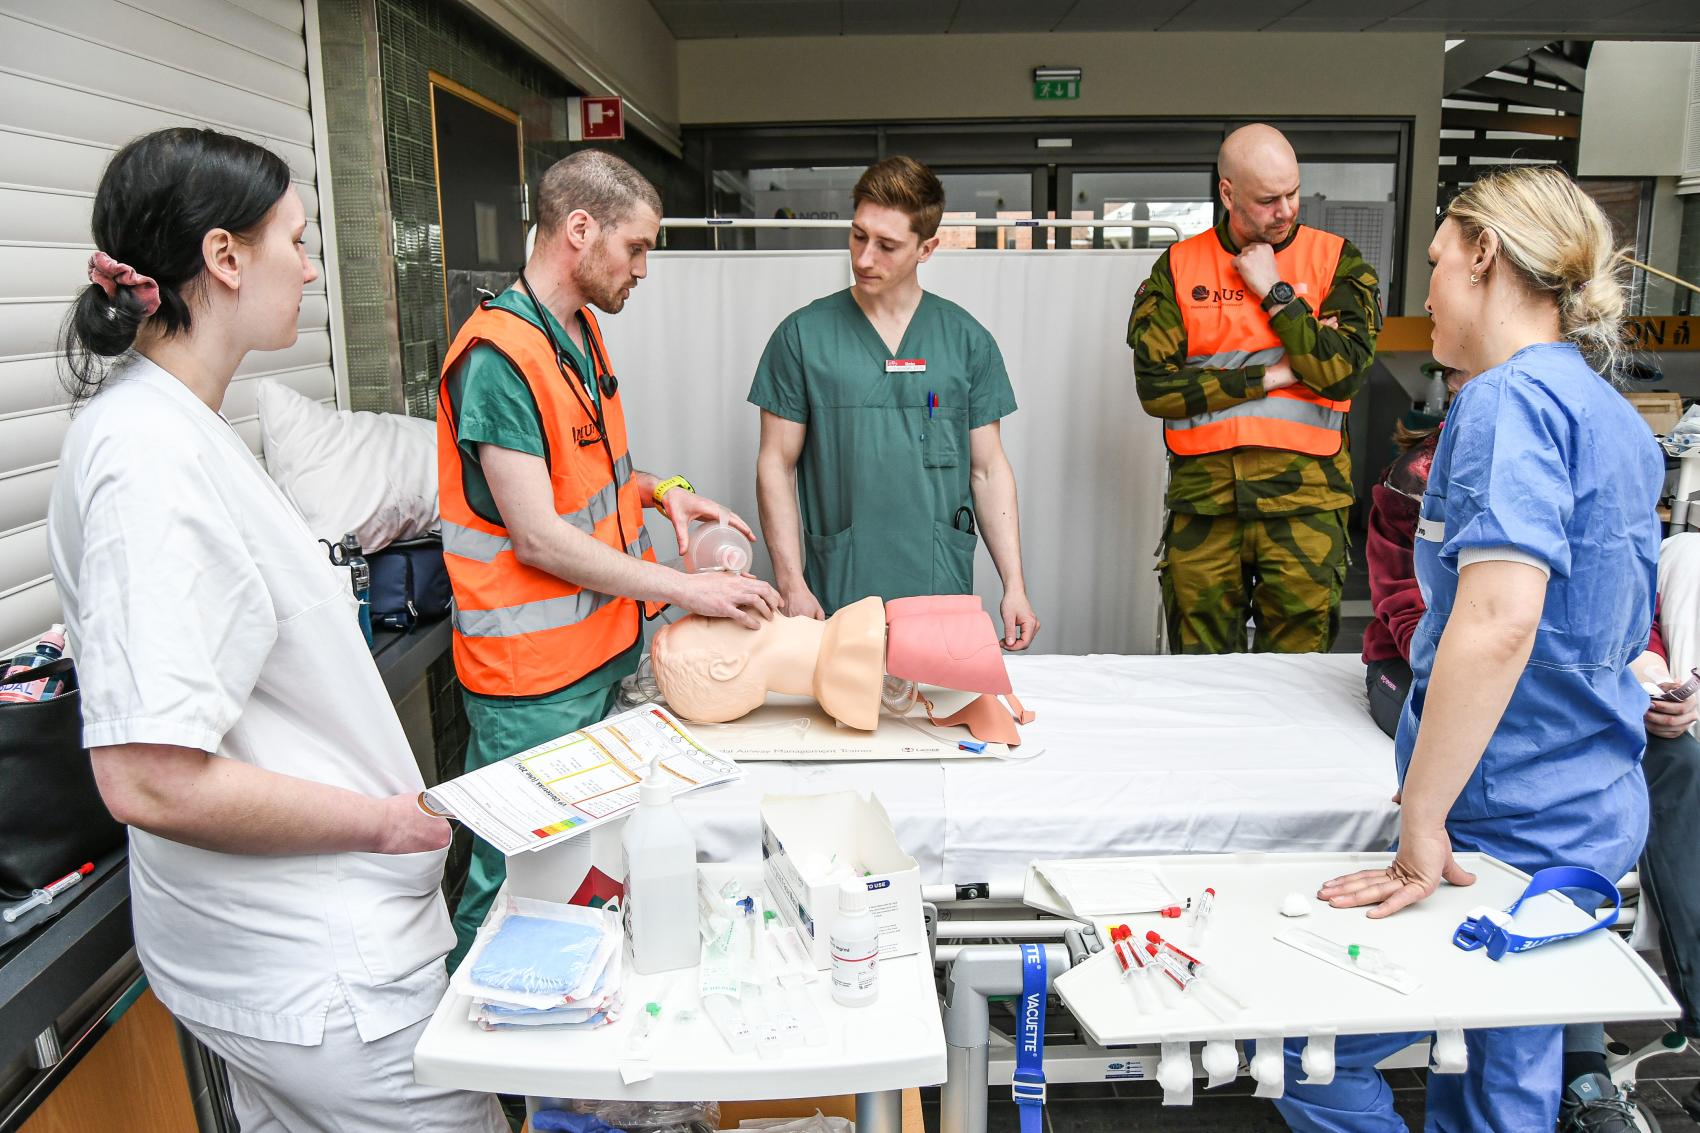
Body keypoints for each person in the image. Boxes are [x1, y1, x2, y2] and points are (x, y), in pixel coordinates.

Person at [47, 128, 503, 1132]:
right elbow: (149, 775)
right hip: (314, 966)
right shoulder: (148, 460)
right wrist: (384, 821)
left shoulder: (183, 428)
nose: (306, 265)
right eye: (293, 240)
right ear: (222, 257)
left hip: (299, 954)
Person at [1271, 166, 1663, 1132]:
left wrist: (1423, 827)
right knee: (1499, 1080)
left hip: (1509, 824)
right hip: (1589, 803)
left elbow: (1497, 622)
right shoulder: (1612, 415)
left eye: (1439, 263)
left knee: (1310, 1057)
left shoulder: (1503, 403)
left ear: (1485, 256)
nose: (1428, 295)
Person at [437, 150, 780, 965]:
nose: (644, 268)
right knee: (510, 885)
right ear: (579, 230)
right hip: (532, 685)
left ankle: (558, 1034)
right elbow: (540, 535)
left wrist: (666, 493)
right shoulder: (496, 360)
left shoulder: (577, 334)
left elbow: (586, 478)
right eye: (637, 247)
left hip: (595, 659)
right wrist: (689, 589)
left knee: (586, 874)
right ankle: (469, 1082)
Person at [750, 156, 1040, 649]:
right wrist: (791, 582)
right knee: (843, 718)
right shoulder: (802, 337)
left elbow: (988, 471)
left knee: (934, 716)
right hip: (837, 586)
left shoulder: (966, 341)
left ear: (927, 248)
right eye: (859, 236)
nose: (864, 258)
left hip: (937, 583)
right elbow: (776, 465)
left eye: (887, 246)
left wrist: (1015, 585)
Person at [1129, 123, 1381, 654]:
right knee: (1201, 676)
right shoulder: (1178, 268)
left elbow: (1344, 372)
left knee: (1296, 680)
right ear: (1227, 192)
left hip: (1306, 506)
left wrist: (1276, 292)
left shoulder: (1336, 260)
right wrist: (1276, 375)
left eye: (1293, 192)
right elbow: (1158, 390)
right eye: (1269, 199)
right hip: (1205, 508)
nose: (1286, 210)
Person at [1361, 367, 1463, 737]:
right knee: (1446, 729)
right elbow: (1401, 603)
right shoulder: (1413, 478)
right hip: (1415, 658)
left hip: (1519, 664)